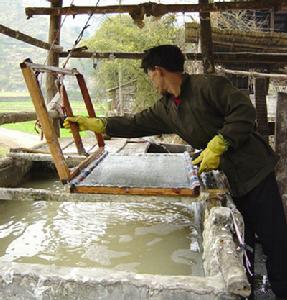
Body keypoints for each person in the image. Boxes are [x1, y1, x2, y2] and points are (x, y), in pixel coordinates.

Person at [64, 45, 287, 299]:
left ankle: (282, 290)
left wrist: (221, 142)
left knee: (274, 238)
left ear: (158, 71)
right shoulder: (167, 108)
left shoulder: (208, 86)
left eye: (150, 76)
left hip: (254, 171)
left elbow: (243, 111)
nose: (151, 82)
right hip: (229, 176)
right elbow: (136, 123)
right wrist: (98, 124)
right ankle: (246, 288)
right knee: (241, 236)